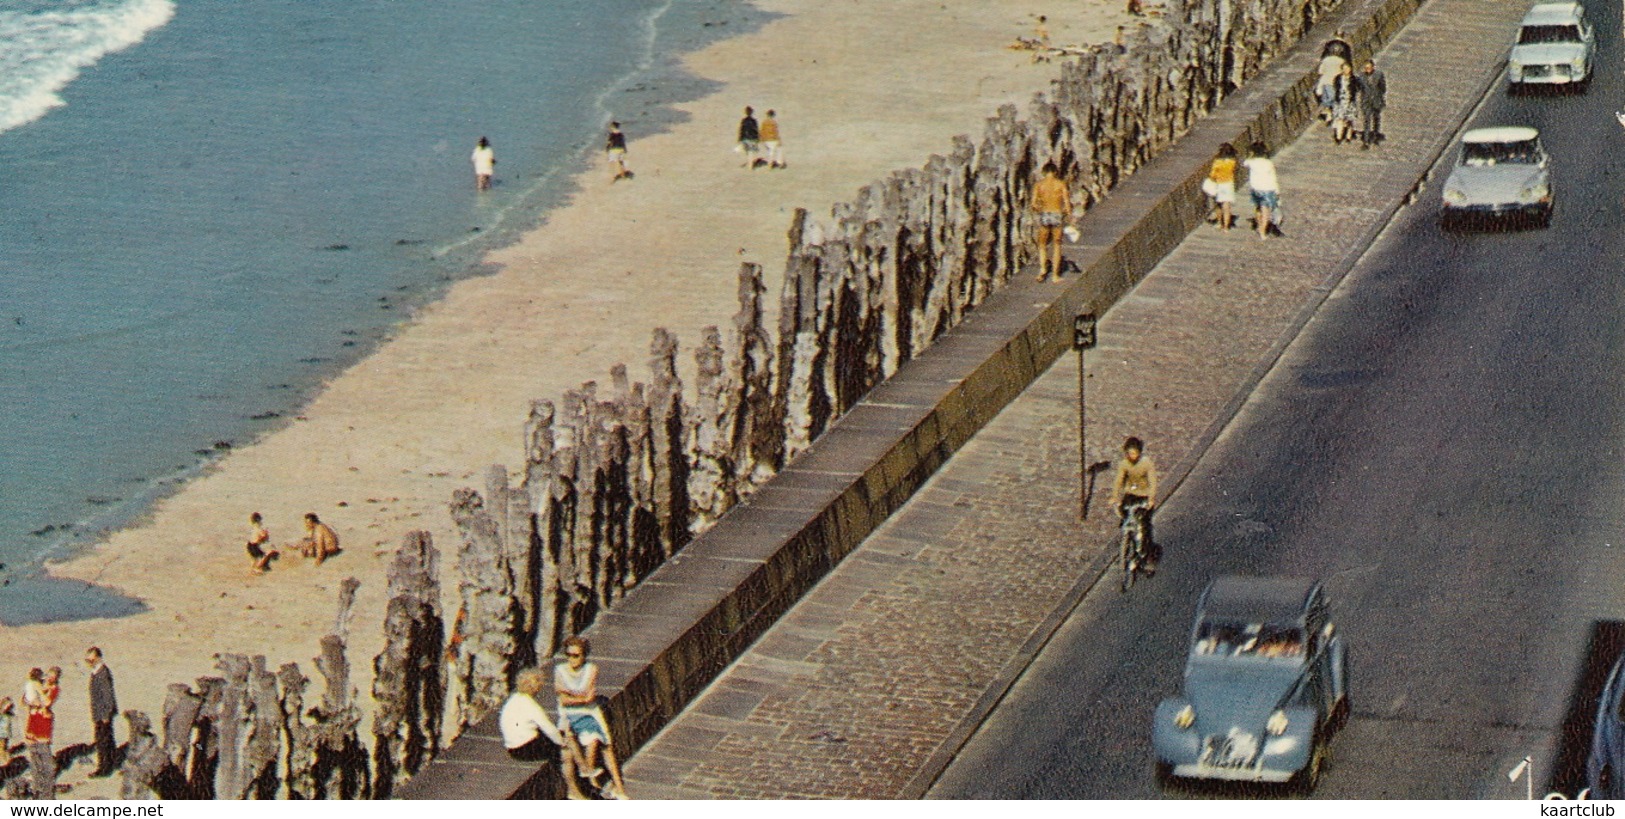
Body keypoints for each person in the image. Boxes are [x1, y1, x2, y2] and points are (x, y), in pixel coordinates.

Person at [555, 637, 630, 799]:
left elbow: (589, 698)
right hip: (569, 713)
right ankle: (590, 774)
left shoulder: (591, 669)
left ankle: (616, 786)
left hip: (589, 711)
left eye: (576, 655)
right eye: (569, 655)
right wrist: (580, 696)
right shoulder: (560, 670)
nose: (571, 659)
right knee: (592, 736)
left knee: (606, 746)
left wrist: (572, 694)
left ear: (584, 656)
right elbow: (563, 700)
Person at [499, 669, 589, 800]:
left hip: (512, 748)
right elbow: (548, 728)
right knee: (565, 752)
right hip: (525, 747)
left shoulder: (514, 699)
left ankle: (581, 771)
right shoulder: (530, 705)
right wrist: (562, 742)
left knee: (559, 740)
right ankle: (573, 789)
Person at [1108, 437, 1159, 570]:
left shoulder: (1146, 463)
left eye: (1135, 453)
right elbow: (1119, 481)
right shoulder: (1124, 464)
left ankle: (1147, 557)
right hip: (1130, 496)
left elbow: (1152, 482)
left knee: (1143, 527)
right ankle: (1125, 549)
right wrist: (1115, 496)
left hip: (1144, 497)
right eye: (1130, 453)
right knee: (1124, 519)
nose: (1133, 456)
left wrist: (1151, 499)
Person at [1030, 161, 1072, 282]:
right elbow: (1067, 202)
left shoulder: (1039, 185)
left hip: (1045, 214)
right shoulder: (1060, 184)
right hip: (1057, 213)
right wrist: (1069, 216)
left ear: (1044, 172)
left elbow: (1033, 204)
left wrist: (1040, 209)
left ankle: (1043, 269)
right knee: (1057, 244)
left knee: (1042, 243)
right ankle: (1055, 276)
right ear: (1055, 172)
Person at [24, 667, 58, 797]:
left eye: (52, 676)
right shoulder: (38, 685)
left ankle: (47, 791)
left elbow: (47, 702)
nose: (49, 678)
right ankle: (37, 787)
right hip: (33, 721)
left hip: (43, 723)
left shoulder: (54, 689)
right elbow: (25, 700)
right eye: (48, 675)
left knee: (44, 757)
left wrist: (38, 697)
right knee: (34, 756)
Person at [85, 647, 117, 777]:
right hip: (99, 713)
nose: (89, 662)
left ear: (98, 658)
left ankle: (104, 768)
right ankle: (110, 763)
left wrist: (106, 714)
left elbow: (108, 694)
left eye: (91, 660)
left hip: (103, 714)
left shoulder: (103, 673)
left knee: (102, 741)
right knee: (106, 739)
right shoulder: (96, 671)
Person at [1243, 142, 1280, 240]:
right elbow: (1273, 178)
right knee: (1266, 212)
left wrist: (1251, 156)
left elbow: (1245, 163)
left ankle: (1259, 224)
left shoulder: (1251, 162)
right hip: (1267, 189)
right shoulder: (1268, 163)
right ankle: (1262, 231)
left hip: (1255, 189)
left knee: (1258, 208)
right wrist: (1277, 191)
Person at [1205, 143, 1238, 230]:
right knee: (1226, 207)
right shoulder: (1232, 162)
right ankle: (1226, 227)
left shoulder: (1217, 162)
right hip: (1228, 184)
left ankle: (1220, 222)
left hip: (1218, 184)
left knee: (1218, 205)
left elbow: (1212, 175)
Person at [1356, 59, 1387, 149]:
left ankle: (1376, 136)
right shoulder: (1361, 77)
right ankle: (1366, 141)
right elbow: (1359, 88)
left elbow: (1383, 88)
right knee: (1366, 120)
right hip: (1366, 101)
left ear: (1373, 67)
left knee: (1376, 119)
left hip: (1376, 100)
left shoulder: (1379, 74)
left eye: (1369, 68)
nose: (1367, 69)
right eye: (1366, 68)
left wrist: (1380, 98)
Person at [1330, 61, 1360, 144]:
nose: (1346, 70)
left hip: (1350, 102)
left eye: (1348, 68)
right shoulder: (1338, 78)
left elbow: (1357, 88)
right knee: (1340, 119)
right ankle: (1338, 137)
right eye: (1344, 68)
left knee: (1349, 120)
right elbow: (1335, 87)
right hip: (1340, 102)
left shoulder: (1354, 79)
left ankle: (1348, 136)